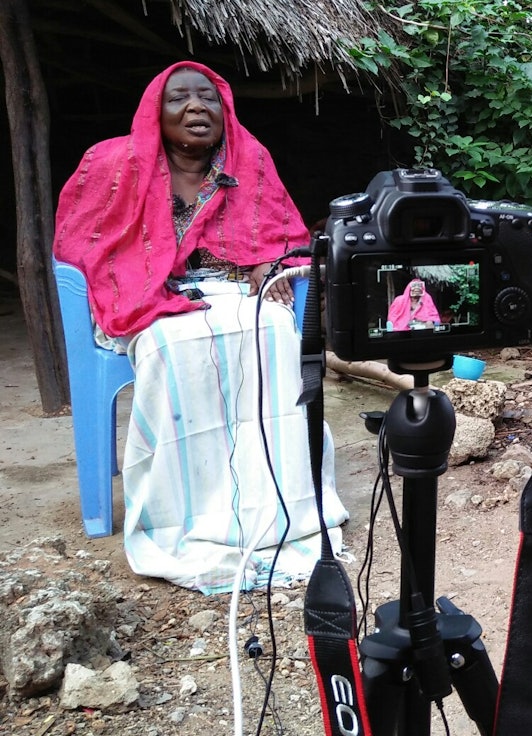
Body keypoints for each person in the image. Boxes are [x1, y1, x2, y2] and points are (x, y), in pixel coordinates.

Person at [53, 62, 348, 594]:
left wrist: (269, 263)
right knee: (173, 345)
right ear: (155, 113)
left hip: (233, 291)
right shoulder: (112, 163)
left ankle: (273, 506)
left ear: (225, 109)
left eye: (209, 98)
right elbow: (82, 243)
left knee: (276, 332)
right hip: (151, 299)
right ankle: (184, 514)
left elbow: (285, 234)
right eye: (180, 99)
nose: (197, 108)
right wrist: (144, 280)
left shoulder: (249, 159)